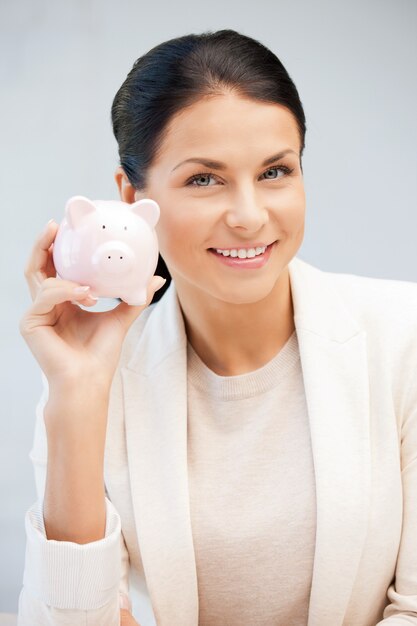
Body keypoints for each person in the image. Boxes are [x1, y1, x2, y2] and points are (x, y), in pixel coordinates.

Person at [17, 28, 417, 626]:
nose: (250, 216)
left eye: (276, 171)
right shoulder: (97, 383)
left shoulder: (402, 338)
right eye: (204, 179)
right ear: (131, 196)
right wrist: (77, 396)